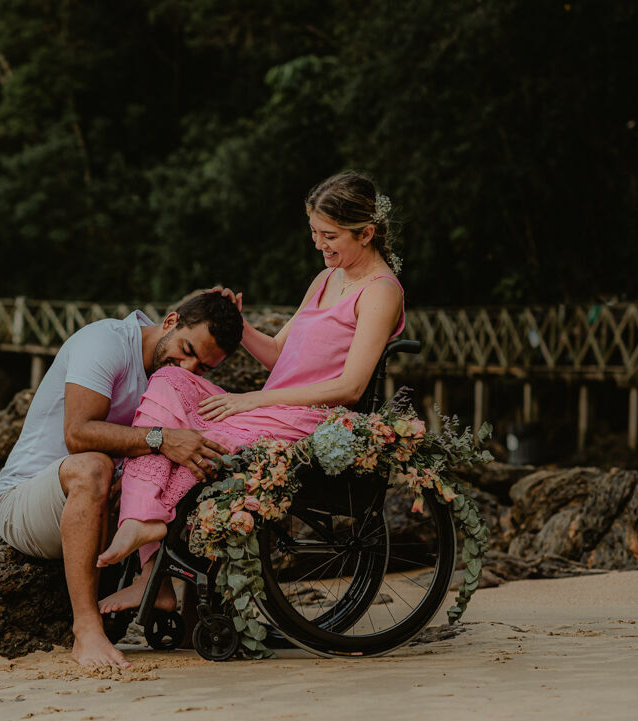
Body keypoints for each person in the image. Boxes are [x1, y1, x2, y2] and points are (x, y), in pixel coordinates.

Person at [96, 171, 407, 612]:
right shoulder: (326, 279)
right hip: (272, 409)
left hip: (314, 417)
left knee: (198, 443)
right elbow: (280, 353)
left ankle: (147, 534)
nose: (319, 244)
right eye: (314, 232)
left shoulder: (380, 292)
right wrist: (238, 324)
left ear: (367, 233)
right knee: (168, 382)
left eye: (329, 235)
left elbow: (350, 387)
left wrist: (255, 399)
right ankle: (150, 549)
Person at [0, 293, 244, 668]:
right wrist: (162, 438)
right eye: (186, 349)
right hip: (26, 503)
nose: (188, 367)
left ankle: (194, 614)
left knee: (198, 456)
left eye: (203, 368)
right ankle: (86, 629)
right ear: (171, 321)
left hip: (101, 506)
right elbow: (77, 434)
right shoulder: (105, 343)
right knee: (96, 464)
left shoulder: (172, 376)